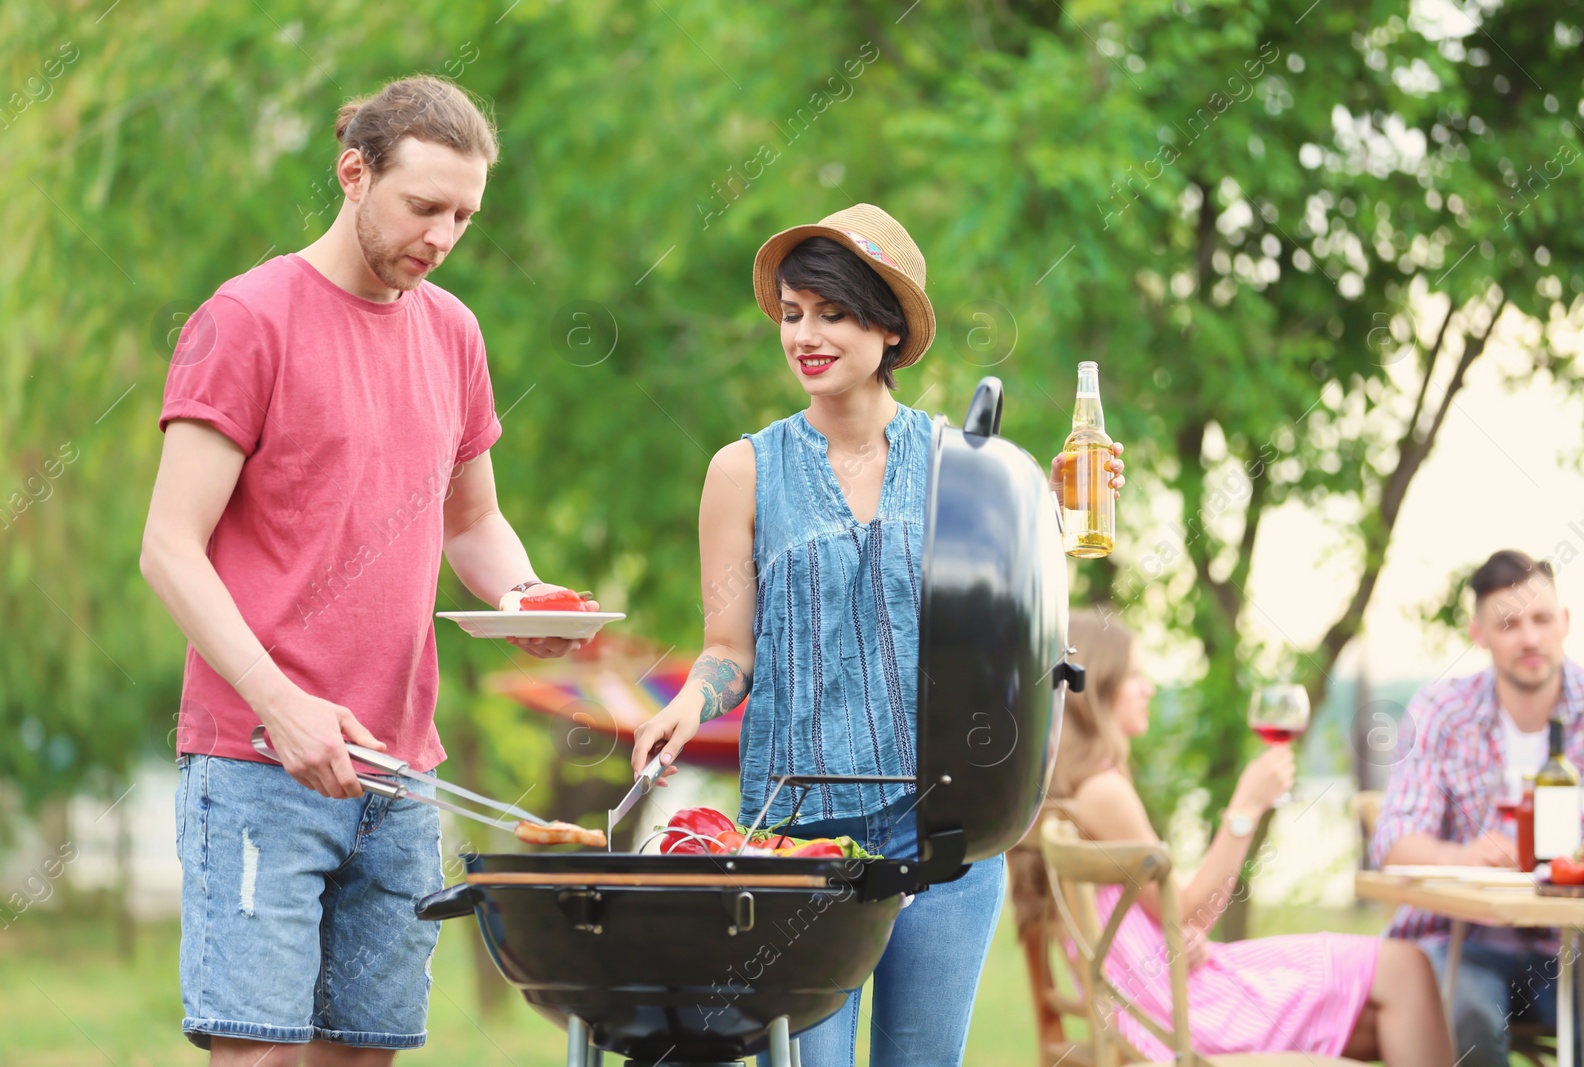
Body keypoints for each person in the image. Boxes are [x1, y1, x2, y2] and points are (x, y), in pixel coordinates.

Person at [140, 76, 590, 1063]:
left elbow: (474, 522)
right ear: (354, 172)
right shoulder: (245, 320)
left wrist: (525, 595)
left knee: (365, 1053)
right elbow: (168, 544)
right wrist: (280, 700)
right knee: (258, 1053)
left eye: (463, 214)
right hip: (256, 757)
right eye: (422, 205)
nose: (442, 234)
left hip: (398, 770)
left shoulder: (452, 332)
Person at [629, 204, 1123, 1067]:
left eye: (833, 312)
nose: (806, 335)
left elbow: (1009, 621)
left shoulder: (958, 465)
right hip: (795, 837)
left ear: (888, 328)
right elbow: (728, 649)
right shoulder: (741, 471)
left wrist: (1037, 507)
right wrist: (689, 703)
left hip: (939, 829)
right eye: (792, 313)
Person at [1021, 609, 1451, 1067]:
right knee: (1406, 966)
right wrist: (1245, 808)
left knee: (1384, 1015)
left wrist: (1177, 940)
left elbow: (1156, 917)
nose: (1149, 689)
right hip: (1183, 1017)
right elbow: (1189, 909)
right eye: (1135, 676)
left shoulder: (1064, 791)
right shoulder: (1103, 790)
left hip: (1169, 999)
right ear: (1098, 687)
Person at [1372, 549, 1581, 1066]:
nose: (1529, 638)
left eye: (1540, 619)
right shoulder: (1443, 712)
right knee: (1467, 1014)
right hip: (1464, 943)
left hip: (1571, 947)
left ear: (1565, 622)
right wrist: (1462, 855)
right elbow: (1395, 842)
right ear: (1479, 634)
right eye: (1508, 624)